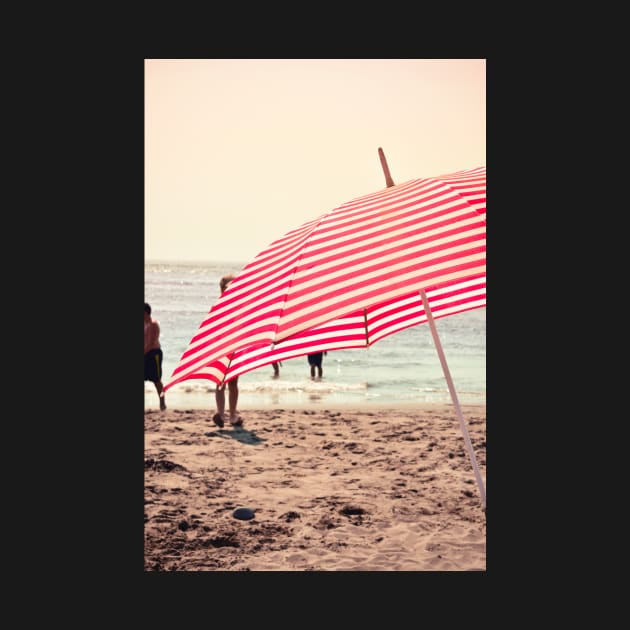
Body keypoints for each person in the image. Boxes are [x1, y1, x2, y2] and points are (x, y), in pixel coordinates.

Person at [212, 274, 243, 428]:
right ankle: (226, 415)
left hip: (228, 347)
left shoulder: (227, 306)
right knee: (224, 383)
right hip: (226, 348)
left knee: (227, 382)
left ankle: (227, 414)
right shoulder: (226, 306)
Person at [144, 302, 166, 410]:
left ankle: (162, 403)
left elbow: (151, 343)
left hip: (154, 353)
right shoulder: (144, 324)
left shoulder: (153, 324)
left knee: (156, 379)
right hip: (145, 353)